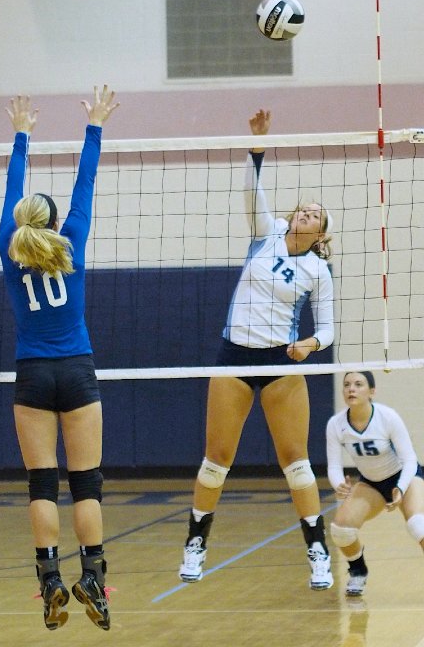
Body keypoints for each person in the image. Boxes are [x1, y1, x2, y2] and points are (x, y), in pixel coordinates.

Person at [179, 109, 335, 589]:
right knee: (216, 460)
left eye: (315, 214)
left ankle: (318, 553)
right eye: (304, 208)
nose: (306, 213)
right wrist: (258, 144)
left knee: (297, 464)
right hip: (234, 357)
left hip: (281, 363)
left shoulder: (318, 271)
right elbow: (251, 190)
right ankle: (196, 545)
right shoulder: (265, 234)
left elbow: (328, 330)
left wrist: (310, 344)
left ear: (321, 234)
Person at [0, 87, 119, 631]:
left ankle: (49, 580)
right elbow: (84, 186)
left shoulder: (9, 248)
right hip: (76, 371)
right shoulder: (70, 244)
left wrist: (21, 134)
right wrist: (94, 126)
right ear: (52, 223)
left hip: (32, 376)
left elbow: (11, 190)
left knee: (41, 483)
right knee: (86, 482)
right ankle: (93, 577)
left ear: (22, 222)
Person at [326, 371, 424, 597]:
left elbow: (410, 460)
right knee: (340, 530)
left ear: (372, 391)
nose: (351, 389)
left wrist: (400, 488)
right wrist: (339, 484)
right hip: (372, 483)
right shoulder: (336, 424)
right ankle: (358, 571)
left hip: (405, 476)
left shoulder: (387, 417)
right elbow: (334, 466)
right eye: (347, 384)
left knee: (418, 525)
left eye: (358, 384)